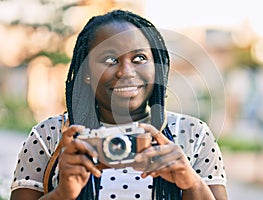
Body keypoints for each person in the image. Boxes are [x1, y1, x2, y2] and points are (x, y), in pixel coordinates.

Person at [10, 9, 227, 200]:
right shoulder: (51, 134)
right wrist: (63, 193)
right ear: (86, 72)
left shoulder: (193, 135)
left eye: (139, 58)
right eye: (110, 60)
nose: (125, 72)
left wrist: (191, 182)